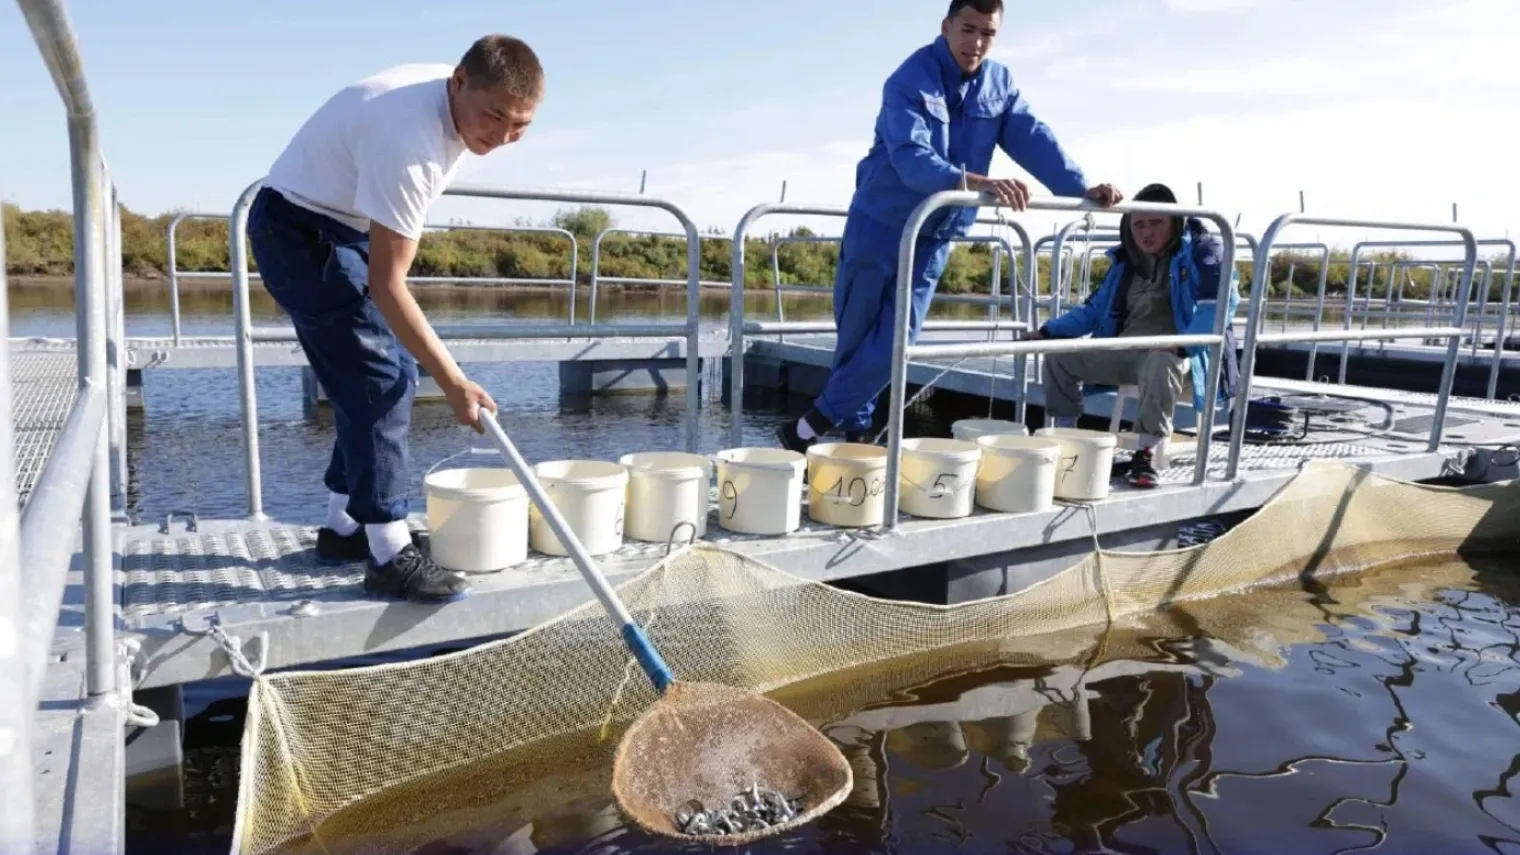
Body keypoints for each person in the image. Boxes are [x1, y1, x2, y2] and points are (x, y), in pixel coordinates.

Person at [246, 35, 544, 602]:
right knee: (382, 379)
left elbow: (386, 270)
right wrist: (454, 381)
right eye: (495, 116)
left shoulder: (450, 98)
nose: (503, 136)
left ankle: (343, 529)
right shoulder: (409, 142)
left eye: (520, 125)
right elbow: (387, 284)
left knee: (375, 376)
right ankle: (387, 554)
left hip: (331, 223)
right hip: (300, 232)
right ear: (459, 82)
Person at [775, 0, 1122, 453]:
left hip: (935, 232)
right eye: (968, 29)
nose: (976, 43)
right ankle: (856, 435)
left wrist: (1082, 187)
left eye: (988, 33)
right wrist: (977, 182)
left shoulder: (1001, 84)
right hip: (879, 223)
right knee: (856, 335)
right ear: (947, 27)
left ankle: (807, 427)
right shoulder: (908, 79)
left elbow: (1036, 139)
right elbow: (911, 157)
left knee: (898, 340)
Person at [1030, 182, 1241, 488]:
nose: (1146, 232)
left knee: (1159, 361)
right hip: (1125, 352)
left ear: (1176, 221)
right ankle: (1067, 436)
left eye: (1156, 222)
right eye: (1138, 224)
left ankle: (1146, 453)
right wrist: (1047, 332)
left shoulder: (1202, 251)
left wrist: (1183, 346)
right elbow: (1091, 311)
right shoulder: (1125, 263)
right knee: (1059, 357)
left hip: (1180, 358)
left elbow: (1219, 305)